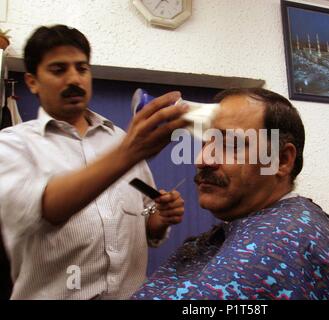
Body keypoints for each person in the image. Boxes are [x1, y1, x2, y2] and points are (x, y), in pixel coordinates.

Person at [132, 88, 329, 300]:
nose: (202, 159)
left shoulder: (283, 238)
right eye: (206, 142)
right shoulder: (297, 220)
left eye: (230, 143)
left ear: (282, 160)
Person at [0, 25, 188, 299]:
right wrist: (130, 151)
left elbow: (145, 220)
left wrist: (159, 219)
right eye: (58, 70)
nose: (74, 79)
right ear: (32, 82)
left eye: (82, 68)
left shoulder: (120, 140)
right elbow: (44, 208)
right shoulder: (12, 145)